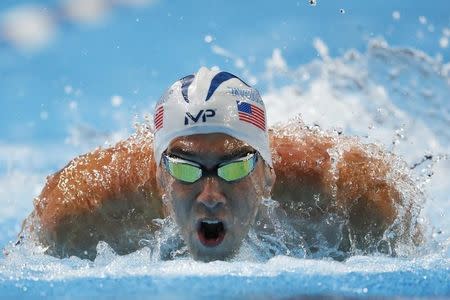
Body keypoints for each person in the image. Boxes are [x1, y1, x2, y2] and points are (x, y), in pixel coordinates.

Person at [22, 67, 422, 261]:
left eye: (233, 168)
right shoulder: (79, 214)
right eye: (185, 169)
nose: (210, 196)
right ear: (160, 176)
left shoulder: (349, 193)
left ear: (268, 175)